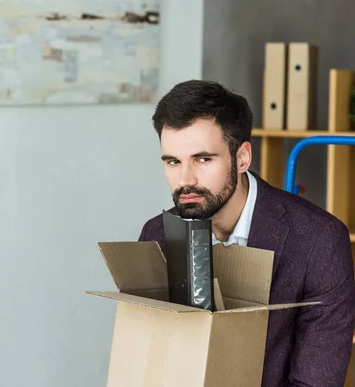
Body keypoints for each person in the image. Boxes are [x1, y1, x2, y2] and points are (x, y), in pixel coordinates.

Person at [139, 80, 355, 386]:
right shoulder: (158, 235)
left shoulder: (318, 241)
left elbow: (315, 381)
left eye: (203, 159)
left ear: (242, 158)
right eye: (173, 161)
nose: (185, 179)